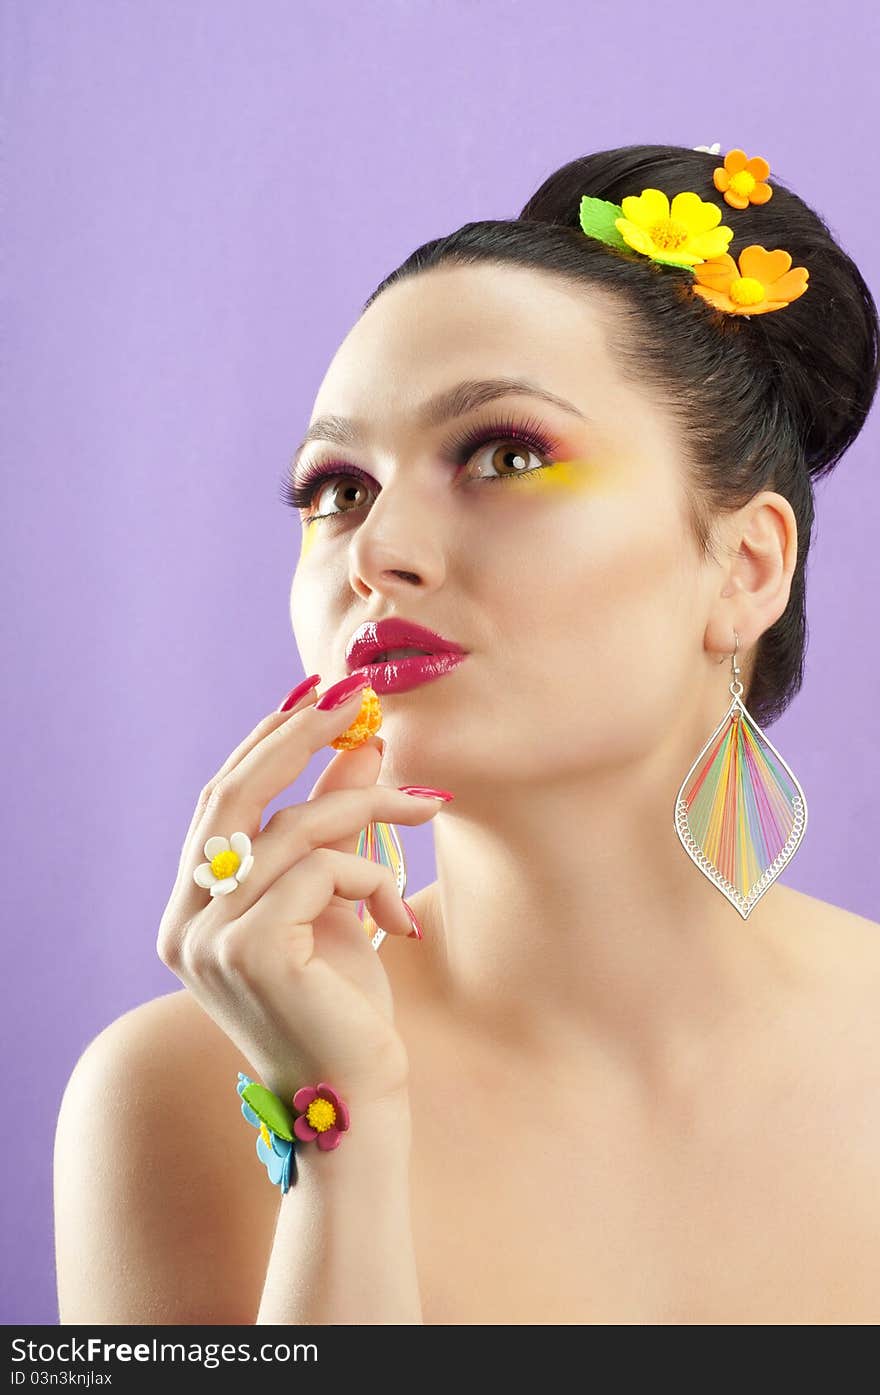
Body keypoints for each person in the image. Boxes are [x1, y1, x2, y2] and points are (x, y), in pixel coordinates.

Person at [54, 144, 880, 1325]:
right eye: (336, 486)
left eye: (504, 454)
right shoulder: (173, 1095)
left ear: (744, 568)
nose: (376, 551)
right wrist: (338, 1129)